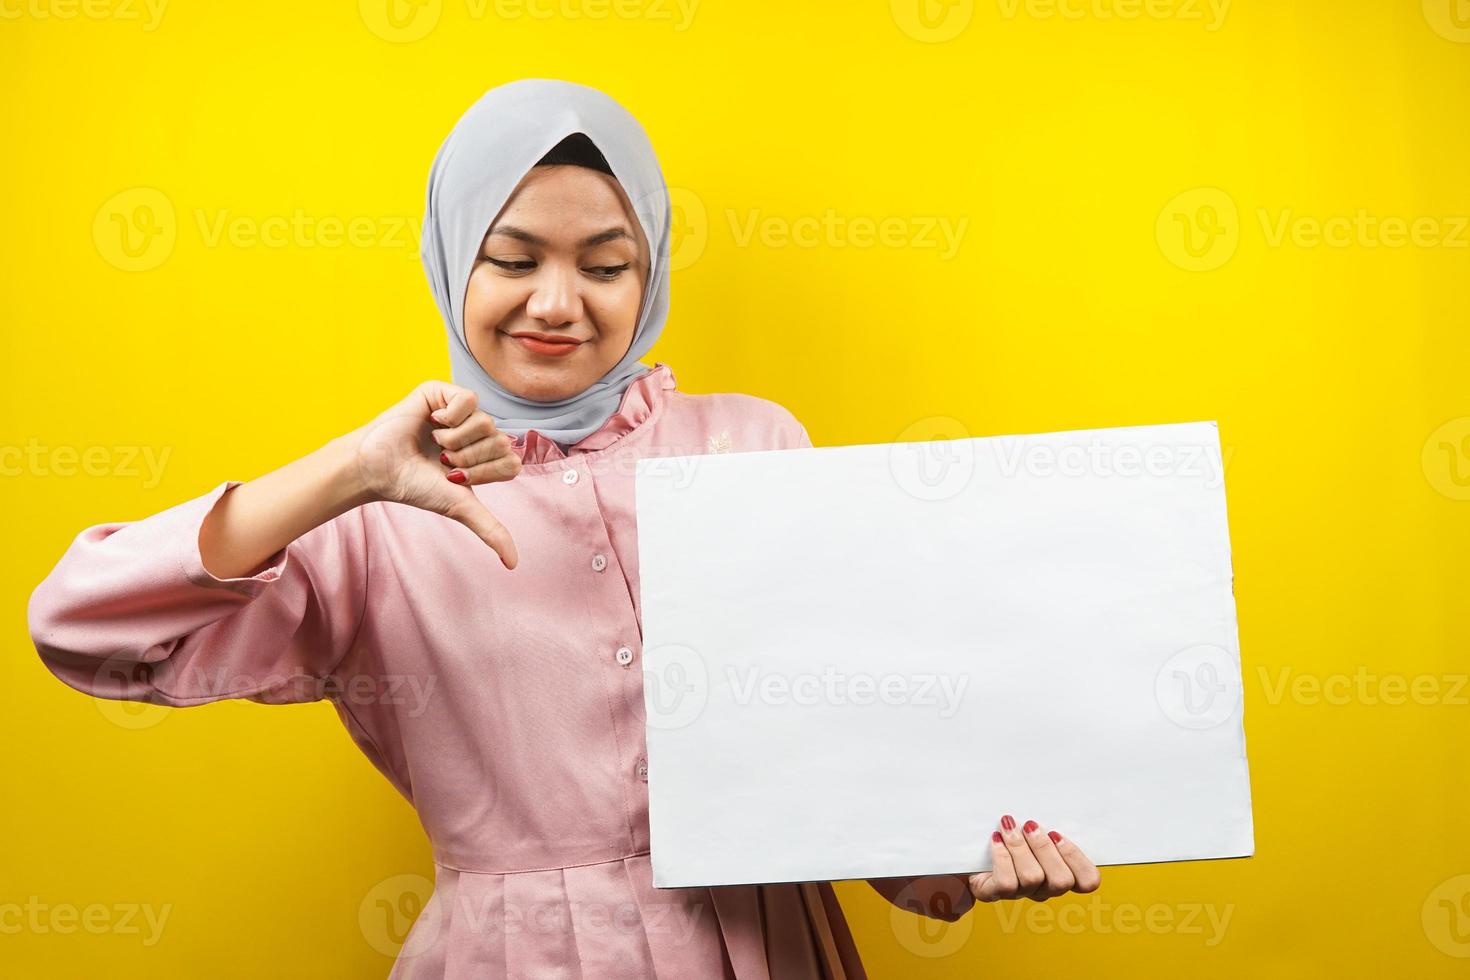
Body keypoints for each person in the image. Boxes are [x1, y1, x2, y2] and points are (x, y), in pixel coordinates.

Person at [27, 78, 1099, 979]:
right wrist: (349, 471)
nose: (557, 302)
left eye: (604, 264)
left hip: (769, 947)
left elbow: (837, 745)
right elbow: (84, 630)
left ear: (653, 273)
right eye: (512, 256)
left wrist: (962, 858)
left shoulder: (755, 444)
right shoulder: (378, 509)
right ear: (453, 262)